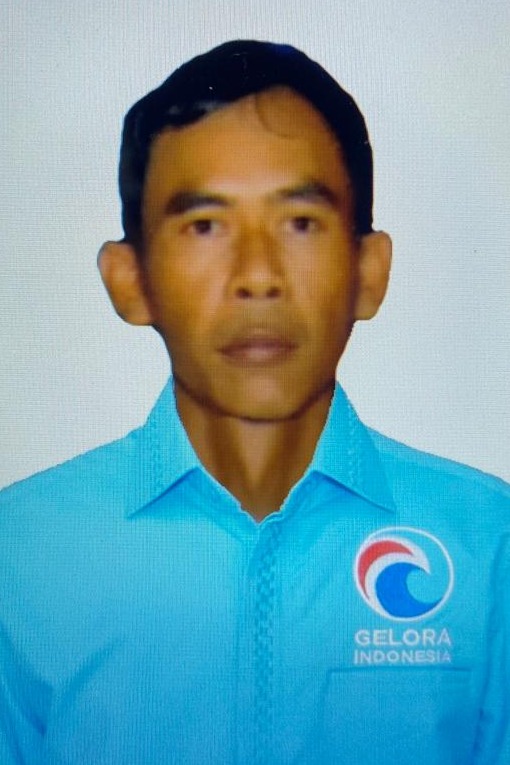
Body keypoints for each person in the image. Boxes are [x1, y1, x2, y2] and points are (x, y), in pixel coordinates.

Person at [0, 39, 508, 765]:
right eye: (205, 226)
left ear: (369, 272)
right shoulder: (18, 556)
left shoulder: (490, 547)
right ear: (130, 280)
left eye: (300, 223)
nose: (259, 276)